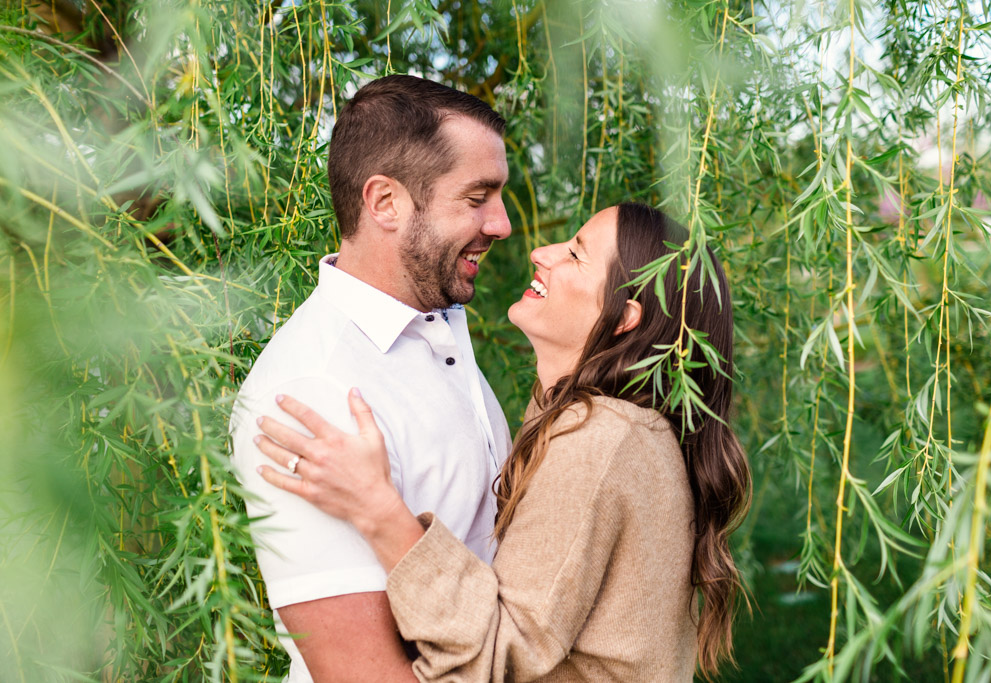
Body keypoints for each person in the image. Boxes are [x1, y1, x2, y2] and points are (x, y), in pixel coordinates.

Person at [254, 203, 752, 681]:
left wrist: (378, 510)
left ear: (624, 317)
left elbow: (501, 654)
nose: (541, 252)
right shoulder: (617, 428)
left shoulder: (601, 437)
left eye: (576, 254)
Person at [230, 75, 514, 682]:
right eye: (477, 198)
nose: (502, 224)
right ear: (385, 202)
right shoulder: (312, 392)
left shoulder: (436, 327)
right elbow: (360, 673)